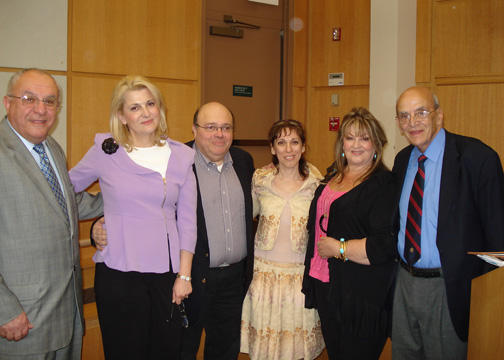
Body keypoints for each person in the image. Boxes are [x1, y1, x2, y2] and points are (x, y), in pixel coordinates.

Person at [92, 101, 255, 360]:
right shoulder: (175, 161)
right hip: (187, 278)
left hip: (233, 282)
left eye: (226, 127)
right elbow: (130, 200)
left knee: (225, 350)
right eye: (210, 127)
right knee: (180, 350)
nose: (219, 134)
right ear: (194, 129)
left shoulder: (244, 162)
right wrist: (98, 227)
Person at [68, 75, 197, 359]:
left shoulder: (182, 156)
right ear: (121, 116)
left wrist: (184, 275)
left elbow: (188, 222)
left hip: (167, 276)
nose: (145, 112)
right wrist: (100, 219)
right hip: (119, 274)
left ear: (160, 108)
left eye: (150, 104)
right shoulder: (106, 151)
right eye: (135, 107)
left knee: (166, 351)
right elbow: (65, 190)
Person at [391, 86, 504, 359]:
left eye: (421, 112)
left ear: (439, 116)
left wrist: (472, 286)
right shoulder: (402, 160)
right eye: (404, 116)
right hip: (404, 284)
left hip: (450, 289)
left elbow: (499, 240)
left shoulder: (478, 158)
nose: (412, 122)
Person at [0, 68, 103, 358]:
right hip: (22, 320)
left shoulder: (51, 148)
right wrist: (3, 309)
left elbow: (68, 203)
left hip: (65, 315)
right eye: (29, 99)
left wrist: (126, 194)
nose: (40, 110)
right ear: (8, 103)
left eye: (49, 101)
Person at [302, 107, 397, 359]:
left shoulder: (383, 184)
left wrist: (338, 248)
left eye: (364, 138)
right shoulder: (333, 175)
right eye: (350, 137)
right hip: (329, 286)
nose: (357, 145)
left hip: (362, 296)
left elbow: (385, 245)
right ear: (342, 143)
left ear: (377, 144)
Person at [240, 119, 325, 360]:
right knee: (264, 350)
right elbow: (248, 216)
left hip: (299, 277)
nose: (288, 149)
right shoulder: (260, 181)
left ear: (303, 147)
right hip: (264, 275)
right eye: (281, 142)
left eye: (294, 142)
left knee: (295, 349)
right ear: (272, 148)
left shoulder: (316, 185)